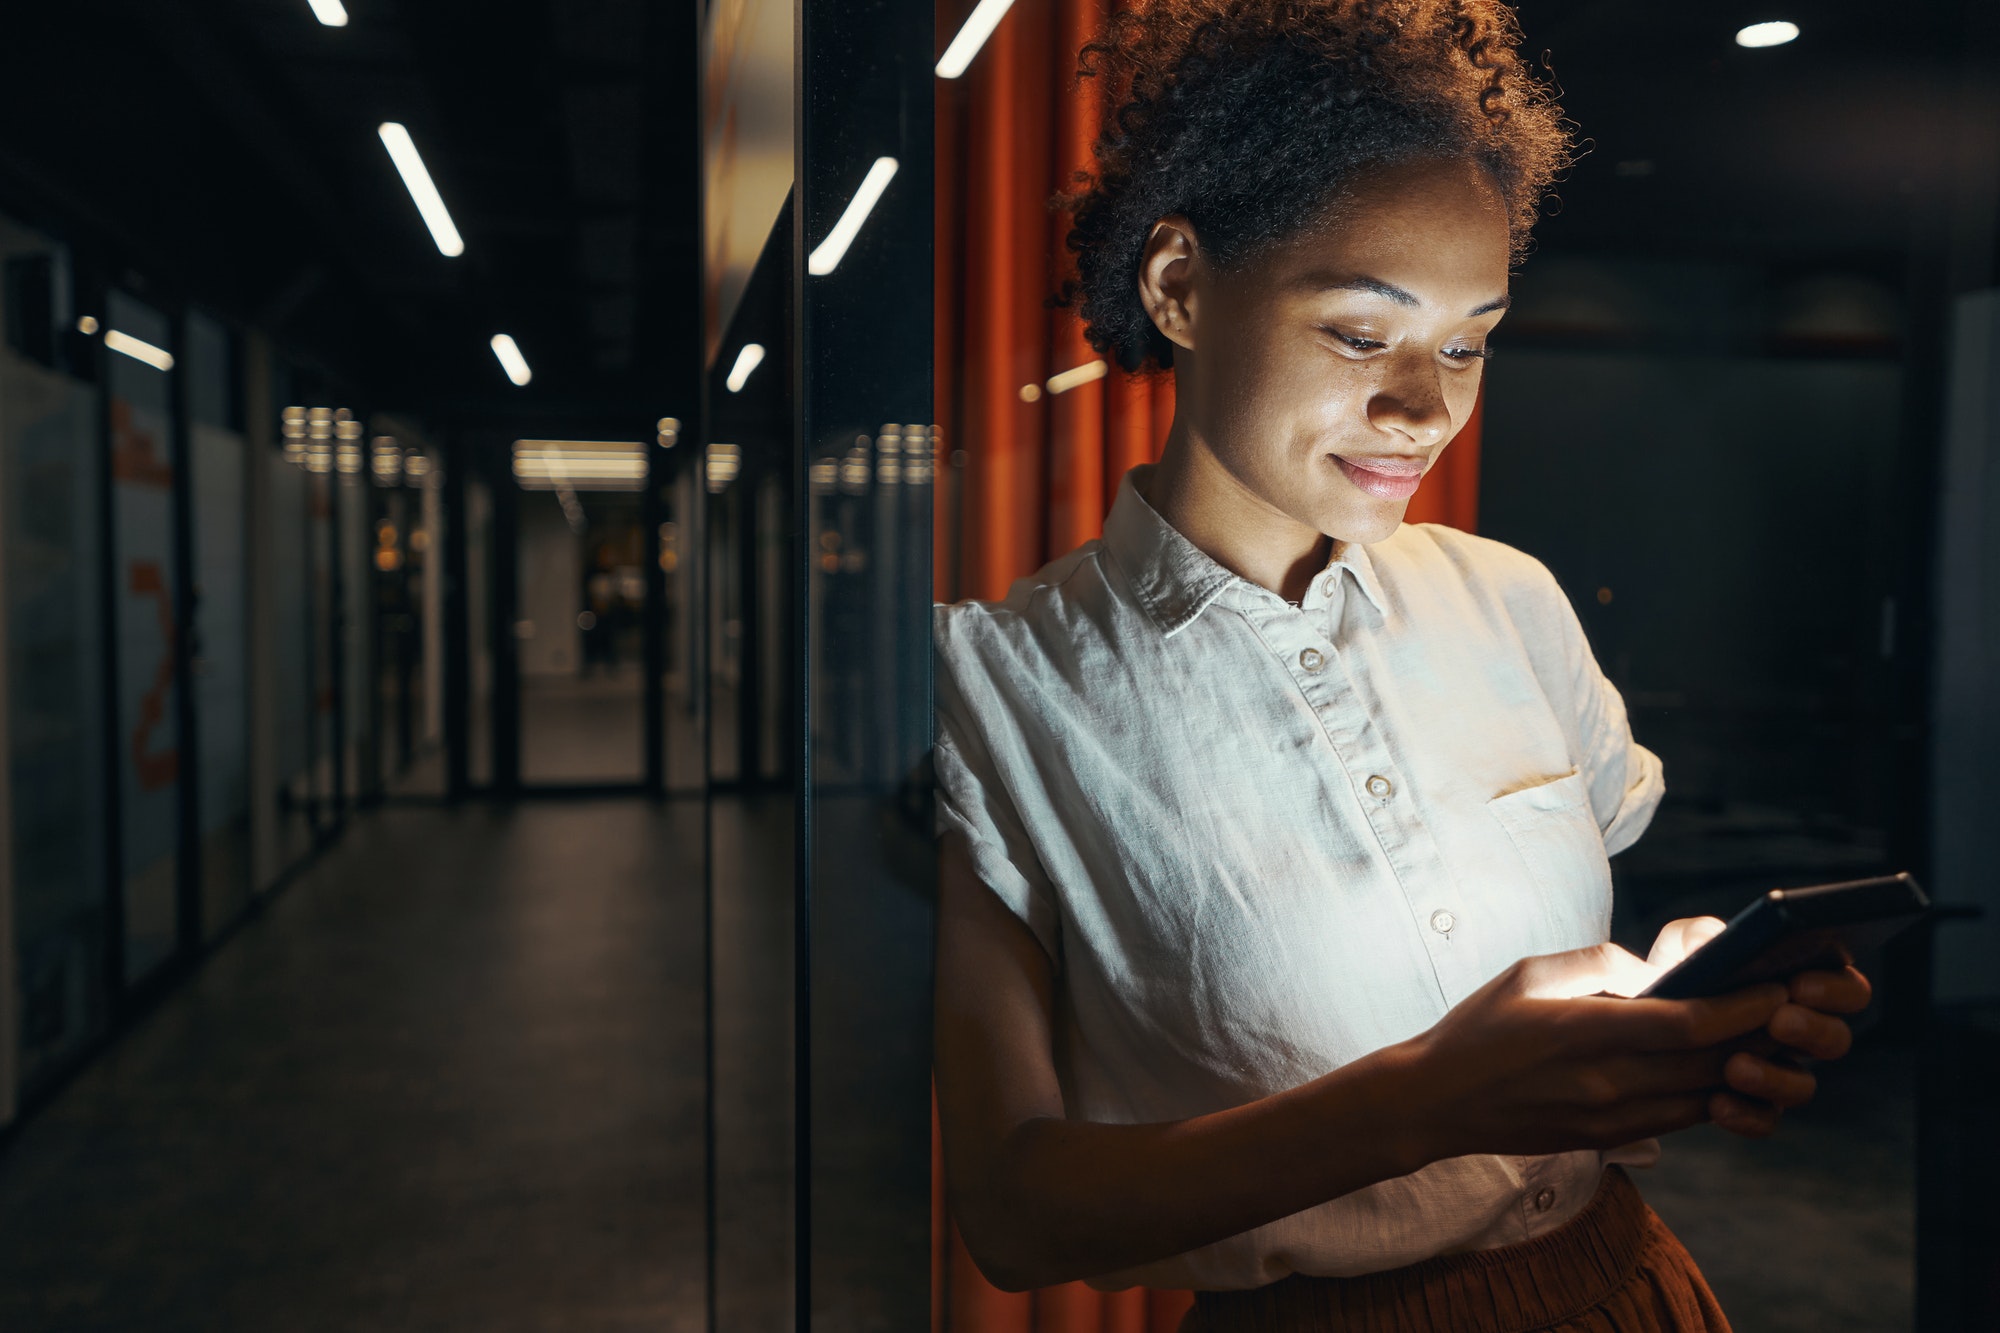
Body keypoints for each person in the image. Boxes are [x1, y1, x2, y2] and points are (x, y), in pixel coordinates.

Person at [929, 2, 1872, 1329]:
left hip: (1627, 1285)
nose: (1427, 405)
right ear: (1180, 287)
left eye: (1468, 340)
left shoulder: (1513, 602)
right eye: (1363, 335)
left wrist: (1696, 1031)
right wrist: (1440, 1097)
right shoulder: (1001, 691)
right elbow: (1018, 1212)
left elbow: (1588, 992)